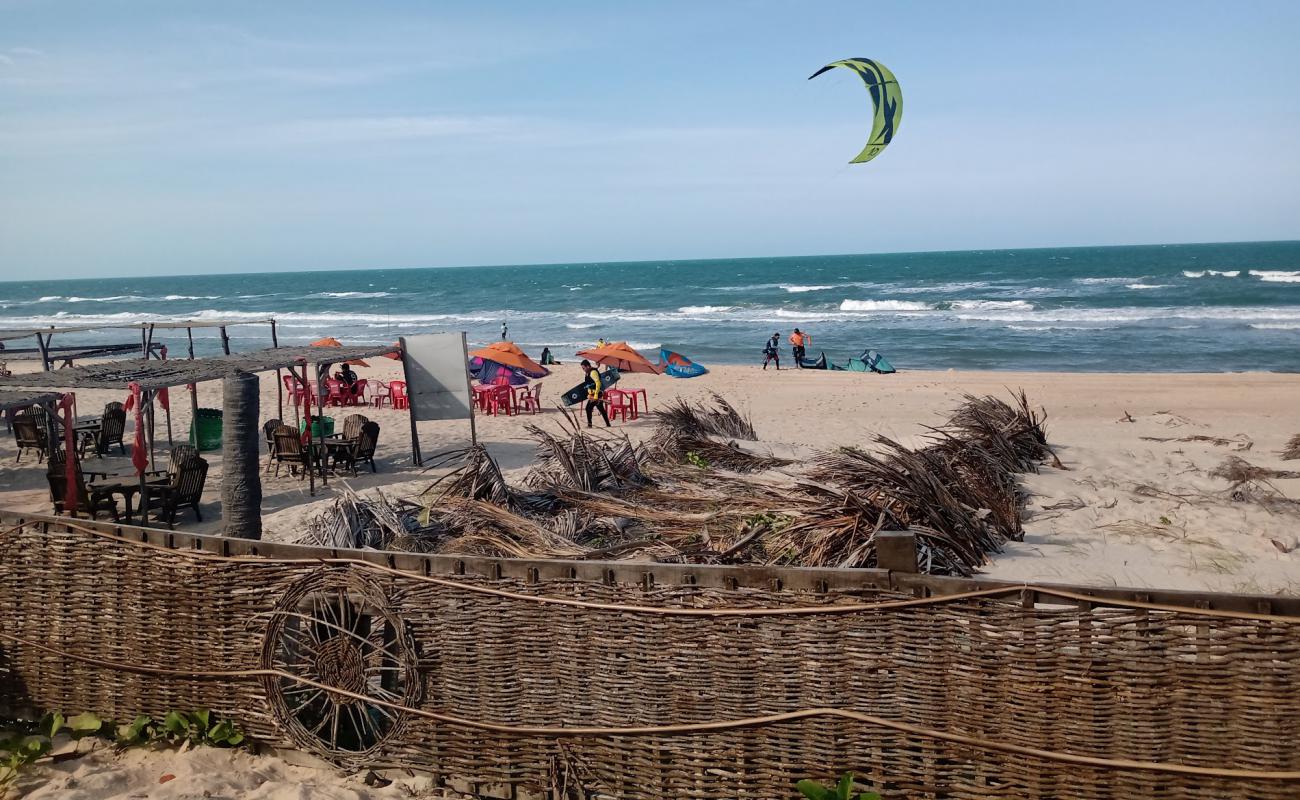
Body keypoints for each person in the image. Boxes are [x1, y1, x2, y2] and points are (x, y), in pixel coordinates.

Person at [580, 359, 610, 428]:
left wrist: (596, 394)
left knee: (588, 408)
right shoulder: (588, 372)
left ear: (587, 366)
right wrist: (588, 392)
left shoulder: (593, 372)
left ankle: (590, 425)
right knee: (601, 409)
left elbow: (598, 382)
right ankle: (608, 424)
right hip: (592, 394)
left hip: (597, 394)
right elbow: (589, 384)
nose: (583, 369)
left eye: (583, 368)